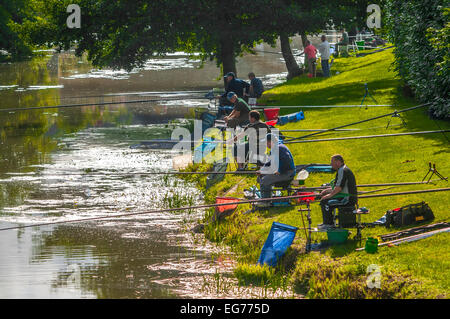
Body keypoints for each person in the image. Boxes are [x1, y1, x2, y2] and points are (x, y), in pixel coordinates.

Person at [318, 154, 358, 230]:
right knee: (325, 199)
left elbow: (339, 188)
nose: (331, 164)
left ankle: (328, 224)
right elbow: (338, 187)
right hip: (345, 196)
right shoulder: (342, 170)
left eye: (332, 162)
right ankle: (328, 222)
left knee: (325, 201)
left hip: (348, 199)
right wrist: (326, 191)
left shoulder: (342, 170)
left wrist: (329, 195)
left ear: (338, 162)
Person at [256, 134, 296, 203]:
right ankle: (267, 196)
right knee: (260, 177)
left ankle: (266, 202)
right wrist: (261, 170)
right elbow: (269, 162)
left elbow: (287, 160)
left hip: (287, 173)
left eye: (266, 142)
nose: (266, 144)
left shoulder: (280, 148)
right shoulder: (274, 148)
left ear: (270, 142)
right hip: (283, 172)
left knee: (264, 181)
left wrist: (279, 170)